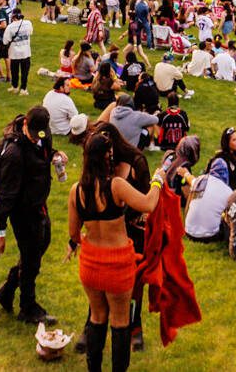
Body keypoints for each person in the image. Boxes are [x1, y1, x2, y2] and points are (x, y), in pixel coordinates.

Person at [68, 125, 160, 372]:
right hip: (117, 264)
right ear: (107, 156)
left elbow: (74, 234)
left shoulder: (76, 191)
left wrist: (87, 236)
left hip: (90, 263)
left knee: (97, 318)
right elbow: (148, 204)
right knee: (120, 322)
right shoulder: (116, 186)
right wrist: (158, 181)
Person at [0, 104, 63, 323]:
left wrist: (56, 155)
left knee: (41, 244)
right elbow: (6, 195)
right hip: (22, 210)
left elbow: (43, 151)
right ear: (25, 124)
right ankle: (28, 307)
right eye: (32, 135)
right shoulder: (13, 154)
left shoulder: (40, 135)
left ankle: (8, 288)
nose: (35, 139)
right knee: (32, 258)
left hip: (37, 203)